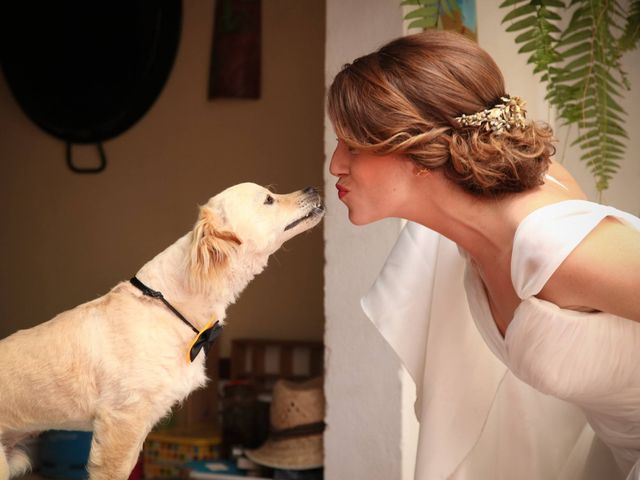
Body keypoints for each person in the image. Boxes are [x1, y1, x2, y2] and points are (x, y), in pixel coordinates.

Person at [327, 30, 640, 479]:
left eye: (352, 145)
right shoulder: (470, 229)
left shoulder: (551, 246)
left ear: (417, 153)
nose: (336, 164)